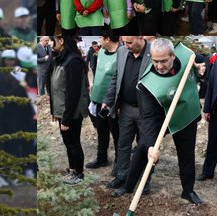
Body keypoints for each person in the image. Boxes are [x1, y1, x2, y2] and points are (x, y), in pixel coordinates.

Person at [112, 39, 203, 205]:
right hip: (160, 117)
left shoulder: (185, 56)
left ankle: (188, 191)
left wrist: (199, 67)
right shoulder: (146, 84)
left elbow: (200, 60)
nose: (159, 66)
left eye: (163, 61)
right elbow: (147, 117)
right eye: (155, 61)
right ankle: (128, 185)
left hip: (185, 113)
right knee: (142, 148)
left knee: (186, 153)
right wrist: (152, 146)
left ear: (172, 56)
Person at [102, 36, 151, 189]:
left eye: (130, 42)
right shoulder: (122, 52)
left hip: (147, 112)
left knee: (146, 147)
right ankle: (121, 175)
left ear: (140, 37)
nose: (126, 46)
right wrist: (108, 100)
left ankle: (144, 181)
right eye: (124, 42)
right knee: (123, 144)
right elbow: (116, 77)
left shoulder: (153, 53)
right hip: (126, 108)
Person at [46, 36, 89, 185]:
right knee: (68, 142)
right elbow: (54, 87)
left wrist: (66, 118)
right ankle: (73, 170)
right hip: (62, 110)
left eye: (52, 41)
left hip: (71, 112)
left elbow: (73, 93)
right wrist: (54, 111)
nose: (50, 44)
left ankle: (79, 174)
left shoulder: (73, 61)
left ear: (62, 40)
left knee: (73, 142)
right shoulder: (60, 58)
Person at [86, 32, 119, 171]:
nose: (98, 40)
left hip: (113, 102)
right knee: (102, 131)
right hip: (98, 100)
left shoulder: (121, 55)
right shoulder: (101, 53)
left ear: (108, 39)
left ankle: (119, 161)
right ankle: (101, 158)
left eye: (100, 37)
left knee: (117, 133)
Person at [196, 54, 217, 182]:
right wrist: (207, 108)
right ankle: (208, 171)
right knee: (213, 143)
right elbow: (210, 86)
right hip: (215, 112)